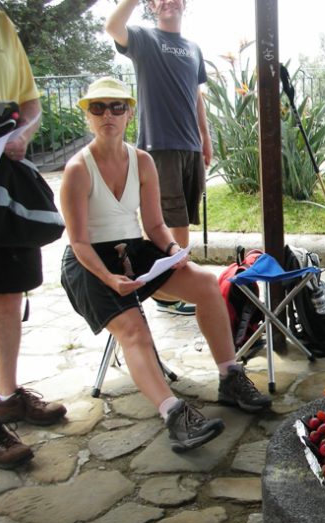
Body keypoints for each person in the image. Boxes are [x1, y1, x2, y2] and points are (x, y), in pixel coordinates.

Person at [59, 77, 270, 453]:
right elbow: (77, 241)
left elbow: (155, 225)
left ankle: (229, 375)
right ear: (88, 117)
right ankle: (174, 414)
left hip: (135, 251)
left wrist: (174, 249)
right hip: (89, 262)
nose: (108, 114)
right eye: (98, 108)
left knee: (205, 283)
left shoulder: (142, 161)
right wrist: (109, 277)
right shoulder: (78, 168)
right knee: (135, 330)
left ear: (129, 113)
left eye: (117, 107)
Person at [106, 0, 212, 316]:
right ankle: (170, 294)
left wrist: (205, 138)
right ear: (152, 6)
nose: (168, 1)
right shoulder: (144, 39)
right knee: (171, 222)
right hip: (159, 147)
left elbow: (196, 96)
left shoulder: (193, 48)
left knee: (184, 219)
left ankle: (171, 287)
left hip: (190, 147)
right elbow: (112, 27)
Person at [0, 9, 67, 469]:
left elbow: (31, 104)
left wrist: (21, 134)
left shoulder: (1, 22)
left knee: (7, 292)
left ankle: (6, 396)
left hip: (4, 179)